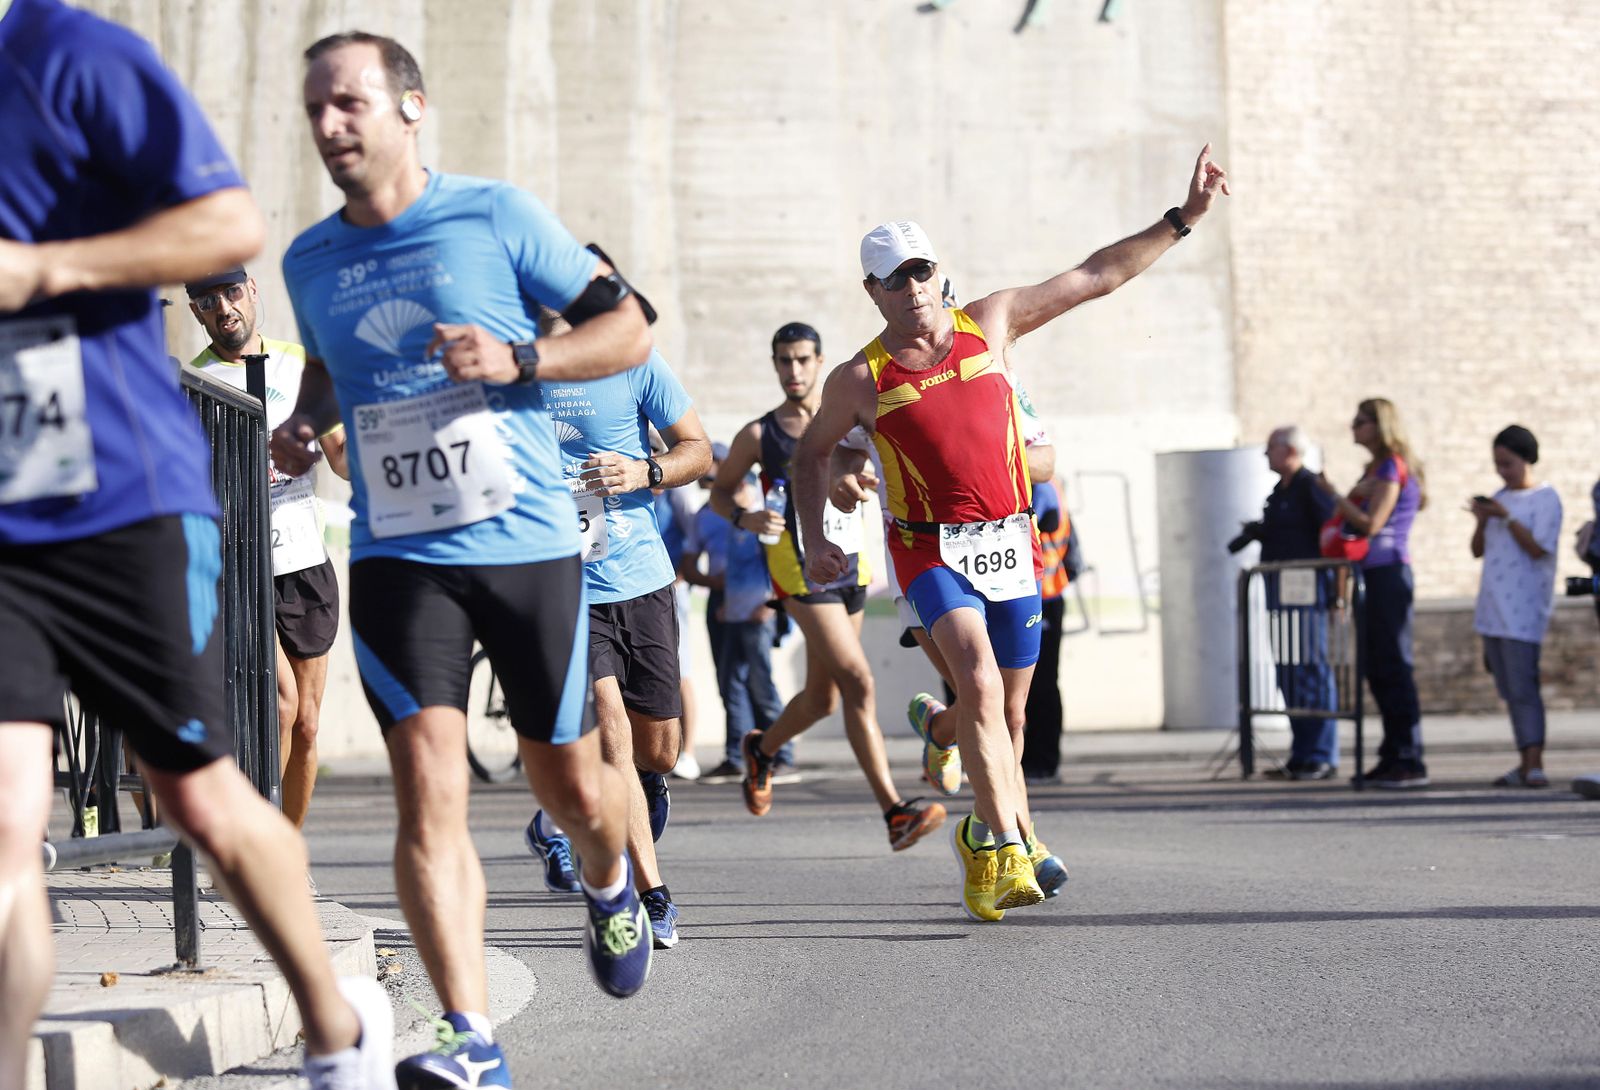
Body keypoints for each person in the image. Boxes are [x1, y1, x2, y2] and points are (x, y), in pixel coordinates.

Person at [0, 3, 392, 1087]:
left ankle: (334, 1023)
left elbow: (225, 225)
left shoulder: (67, 53)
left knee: (198, 798)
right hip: (2, 530)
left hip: (119, 501)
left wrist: (43, 272)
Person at [273, 30, 654, 1087]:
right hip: (401, 556)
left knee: (570, 785)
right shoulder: (309, 259)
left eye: (348, 102)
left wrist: (522, 356)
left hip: (527, 541)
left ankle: (611, 873)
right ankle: (470, 1035)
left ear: (411, 108)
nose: (330, 125)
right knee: (427, 787)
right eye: (314, 109)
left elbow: (627, 332)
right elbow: (323, 373)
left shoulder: (494, 215)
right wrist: (307, 423)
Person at [793, 146, 1229, 921]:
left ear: (938, 272)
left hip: (1010, 543)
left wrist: (1183, 219)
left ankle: (943, 735)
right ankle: (1003, 847)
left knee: (1006, 713)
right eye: (896, 277)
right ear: (873, 291)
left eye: (922, 270)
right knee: (984, 683)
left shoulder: (990, 323)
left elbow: (1096, 276)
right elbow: (812, 450)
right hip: (929, 548)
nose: (915, 287)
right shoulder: (860, 380)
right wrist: (816, 535)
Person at [709, 322, 946, 850]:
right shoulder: (759, 435)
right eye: (784, 361)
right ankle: (894, 811)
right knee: (859, 681)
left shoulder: (848, 422)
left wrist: (860, 482)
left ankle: (762, 750)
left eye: (802, 360)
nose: (793, 371)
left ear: (819, 362)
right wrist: (745, 520)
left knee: (823, 699)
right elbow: (720, 496)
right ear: (775, 366)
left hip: (851, 567)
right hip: (797, 571)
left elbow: (874, 468)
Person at [524, 319, 711, 952]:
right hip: (561, 585)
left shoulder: (635, 361)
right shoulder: (515, 366)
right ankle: (651, 896)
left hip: (641, 577)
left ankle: (621, 792)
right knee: (609, 727)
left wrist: (643, 472)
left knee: (657, 749)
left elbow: (698, 448)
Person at [185, 265, 348, 832]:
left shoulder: (299, 363)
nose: (223, 309)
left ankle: (289, 848)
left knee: (306, 725)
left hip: (303, 563)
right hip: (236, 570)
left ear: (252, 291)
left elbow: (344, 459)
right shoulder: (193, 383)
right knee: (279, 706)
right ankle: (260, 846)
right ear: (195, 312)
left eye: (231, 293)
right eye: (206, 302)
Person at [1314, 398, 1428, 788]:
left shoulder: (1392, 465)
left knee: (1393, 665)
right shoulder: (1376, 469)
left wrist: (1333, 494)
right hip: (1370, 574)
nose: (1353, 427)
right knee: (1377, 668)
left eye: (1360, 422)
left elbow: (1371, 523)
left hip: (1389, 572)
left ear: (1380, 426)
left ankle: (1410, 758)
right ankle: (1392, 753)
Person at [681, 448, 795, 782]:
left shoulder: (761, 516)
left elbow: (777, 567)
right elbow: (713, 567)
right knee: (731, 685)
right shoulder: (726, 520)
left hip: (758, 613)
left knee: (762, 686)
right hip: (730, 610)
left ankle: (781, 756)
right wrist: (722, 597)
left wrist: (770, 604)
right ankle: (739, 756)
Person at [1468, 425, 1561, 789]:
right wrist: (1482, 520)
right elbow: (1478, 550)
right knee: (1508, 689)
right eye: (1498, 465)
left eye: (1508, 463)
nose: (1503, 472)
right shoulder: (1498, 498)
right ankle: (1523, 762)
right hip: (1492, 609)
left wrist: (1506, 517)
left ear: (1526, 459)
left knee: (1524, 686)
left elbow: (1539, 547)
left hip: (1523, 611)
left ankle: (1535, 763)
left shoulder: (1544, 499)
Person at [1252, 425, 1340, 780]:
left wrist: (1337, 593)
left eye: (1270, 448)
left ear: (1290, 450)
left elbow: (1332, 535)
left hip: (1308, 591)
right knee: (1288, 669)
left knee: (1311, 669)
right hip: (1281, 590)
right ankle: (1301, 754)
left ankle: (1321, 753)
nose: (1265, 454)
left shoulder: (1310, 487)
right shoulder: (1279, 491)